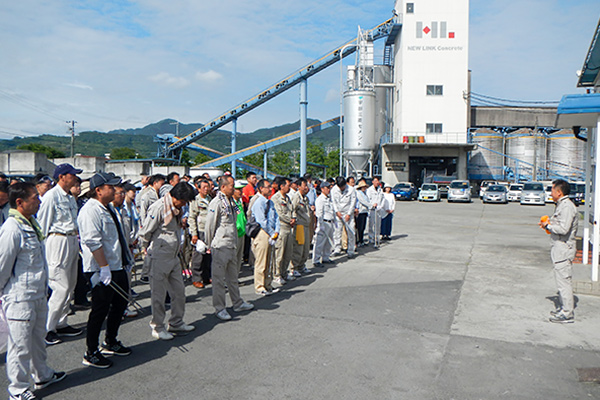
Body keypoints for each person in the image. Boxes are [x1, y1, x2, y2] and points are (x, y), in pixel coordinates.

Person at [0, 182, 67, 400]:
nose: (39, 202)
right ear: (19, 202)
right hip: (20, 297)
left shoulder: (31, 223)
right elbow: (2, 266)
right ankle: (18, 389)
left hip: (37, 293)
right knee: (19, 346)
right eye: (34, 199)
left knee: (38, 339)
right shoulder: (12, 228)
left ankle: (42, 374)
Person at [78, 172, 133, 368]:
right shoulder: (90, 211)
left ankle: (111, 340)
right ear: (98, 190)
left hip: (116, 265)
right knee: (99, 310)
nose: (115, 190)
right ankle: (91, 351)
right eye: (110, 187)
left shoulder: (108, 208)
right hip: (101, 268)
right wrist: (104, 268)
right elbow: (93, 242)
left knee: (120, 305)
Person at [139, 182, 197, 340]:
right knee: (158, 294)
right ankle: (157, 326)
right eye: (184, 201)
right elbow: (146, 231)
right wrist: (144, 251)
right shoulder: (159, 208)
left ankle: (176, 322)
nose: (185, 205)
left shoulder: (175, 209)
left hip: (173, 256)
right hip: (160, 255)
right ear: (176, 197)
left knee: (179, 291)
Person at [37, 163, 84, 345]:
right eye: (72, 175)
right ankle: (47, 328)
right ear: (63, 176)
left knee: (70, 285)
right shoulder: (51, 196)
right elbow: (43, 225)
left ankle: (61, 322)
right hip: (57, 240)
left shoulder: (70, 197)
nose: (75, 178)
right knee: (60, 286)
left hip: (72, 239)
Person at [205, 175, 254, 321]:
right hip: (220, 245)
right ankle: (220, 308)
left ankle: (237, 302)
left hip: (232, 244)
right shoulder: (216, 203)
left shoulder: (231, 202)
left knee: (233, 277)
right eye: (231, 185)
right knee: (219, 280)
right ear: (223, 187)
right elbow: (210, 226)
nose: (234, 188)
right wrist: (208, 245)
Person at [539, 179, 578, 324]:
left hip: (564, 249)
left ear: (559, 192)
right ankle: (563, 308)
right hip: (559, 249)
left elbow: (563, 229)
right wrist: (548, 224)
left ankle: (567, 313)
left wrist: (549, 226)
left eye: (553, 190)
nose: (551, 193)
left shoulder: (567, 207)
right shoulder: (562, 205)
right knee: (561, 281)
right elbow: (560, 224)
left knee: (564, 282)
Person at [251, 179, 280, 296]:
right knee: (261, 262)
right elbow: (261, 221)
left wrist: (276, 231)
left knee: (269, 260)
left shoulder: (270, 202)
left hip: (271, 233)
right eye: (267, 187)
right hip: (262, 233)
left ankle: (268, 284)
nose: (270, 189)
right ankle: (259, 286)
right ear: (261, 188)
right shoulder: (259, 203)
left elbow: (276, 218)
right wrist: (272, 232)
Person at [139, 174, 166, 283]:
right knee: (148, 250)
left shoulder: (161, 195)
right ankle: (145, 273)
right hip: (150, 225)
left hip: (159, 226)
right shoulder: (147, 195)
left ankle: (151, 271)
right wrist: (145, 226)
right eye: (161, 183)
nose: (163, 186)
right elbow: (143, 212)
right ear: (155, 183)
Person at [188, 179, 212, 289]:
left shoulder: (210, 199)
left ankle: (206, 276)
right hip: (200, 230)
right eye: (204, 187)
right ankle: (196, 278)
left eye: (207, 187)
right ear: (198, 188)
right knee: (198, 256)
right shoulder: (195, 200)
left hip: (209, 231)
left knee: (208, 256)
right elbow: (192, 218)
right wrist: (194, 234)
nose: (206, 189)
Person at [271, 177, 295, 285]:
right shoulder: (276, 198)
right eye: (288, 185)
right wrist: (290, 220)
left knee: (288, 252)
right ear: (282, 186)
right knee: (279, 253)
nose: (289, 188)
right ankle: (277, 274)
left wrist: (294, 218)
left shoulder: (288, 198)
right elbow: (279, 214)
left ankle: (285, 272)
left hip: (289, 228)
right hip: (281, 227)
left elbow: (292, 209)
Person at [290, 178, 312, 277]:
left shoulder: (305, 198)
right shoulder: (296, 197)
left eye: (307, 185)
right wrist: (294, 219)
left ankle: (302, 265)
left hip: (306, 225)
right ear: (299, 186)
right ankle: (294, 267)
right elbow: (292, 209)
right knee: (298, 247)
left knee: (306, 247)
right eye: (304, 185)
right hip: (299, 225)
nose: (306, 187)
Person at [331, 176, 357, 258]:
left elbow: (353, 201)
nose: (342, 188)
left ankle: (351, 250)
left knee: (351, 232)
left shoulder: (351, 189)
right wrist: (336, 211)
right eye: (340, 187)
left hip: (348, 212)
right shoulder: (334, 190)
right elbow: (333, 201)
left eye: (343, 186)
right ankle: (337, 248)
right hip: (338, 213)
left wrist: (349, 214)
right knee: (337, 232)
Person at [312, 181, 336, 268]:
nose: (329, 190)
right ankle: (316, 259)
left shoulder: (329, 199)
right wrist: (320, 224)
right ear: (322, 189)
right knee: (319, 243)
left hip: (330, 222)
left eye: (329, 188)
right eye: (327, 188)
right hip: (324, 222)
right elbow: (319, 213)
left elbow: (332, 211)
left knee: (328, 242)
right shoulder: (320, 199)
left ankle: (326, 257)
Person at [232, 184, 247, 273]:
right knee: (233, 258)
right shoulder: (231, 202)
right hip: (235, 233)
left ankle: (235, 277)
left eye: (241, 189)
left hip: (242, 232)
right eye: (238, 189)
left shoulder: (239, 202)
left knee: (238, 257)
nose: (240, 192)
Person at [366, 177, 384, 247]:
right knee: (371, 224)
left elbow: (382, 199)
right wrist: (372, 205)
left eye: (378, 181)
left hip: (378, 209)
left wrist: (380, 206)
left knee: (378, 224)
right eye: (375, 181)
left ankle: (377, 237)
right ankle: (371, 238)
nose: (377, 182)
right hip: (372, 209)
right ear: (373, 181)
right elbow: (368, 199)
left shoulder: (380, 189)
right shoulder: (369, 190)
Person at [355, 180, 372, 246]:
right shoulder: (358, 193)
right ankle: (358, 240)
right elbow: (363, 201)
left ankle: (361, 240)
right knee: (359, 227)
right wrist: (370, 205)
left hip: (365, 211)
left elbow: (367, 200)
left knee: (363, 227)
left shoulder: (365, 193)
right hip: (360, 211)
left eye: (365, 187)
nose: (364, 188)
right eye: (363, 187)